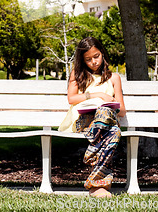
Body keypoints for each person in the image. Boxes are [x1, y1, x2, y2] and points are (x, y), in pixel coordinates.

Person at [58, 36, 126, 197]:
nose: (94, 62)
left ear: (102, 53)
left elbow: (122, 111)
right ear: (83, 61)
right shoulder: (78, 74)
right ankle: (99, 184)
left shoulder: (114, 78)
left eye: (96, 56)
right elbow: (71, 99)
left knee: (108, 120)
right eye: (88, 59)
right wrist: (98, 95)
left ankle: (97, 184)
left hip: (107, 122)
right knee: (112, 131)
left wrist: (111, 103)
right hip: (84, 121)